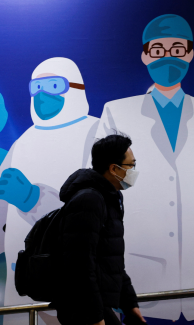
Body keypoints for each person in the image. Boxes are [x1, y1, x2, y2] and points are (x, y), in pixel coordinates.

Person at [93, 14, 194, 322]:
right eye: (158, 50)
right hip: (141, 269)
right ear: (145, 54)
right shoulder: (116, 111)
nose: (168, 57)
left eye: (177, 49)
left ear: (189, 54)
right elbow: (102, 191)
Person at [0, 57, 99, 325]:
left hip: (72, 281)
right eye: (37, 87)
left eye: (54, 86)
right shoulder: (22, 143)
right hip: (22, 283)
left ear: (76, 88)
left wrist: (34, 200)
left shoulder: (96, 134)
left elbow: (92, 212)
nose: (43, 95)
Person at [54, 134, 145, 325]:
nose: (133, 171)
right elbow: (79, 265)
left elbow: (110, 260)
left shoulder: (110, 198)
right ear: (114, 168)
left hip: (96, 305)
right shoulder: (89, 200)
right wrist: (95, 318)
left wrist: (129, 303)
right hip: (84, 309)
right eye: (131, 165)